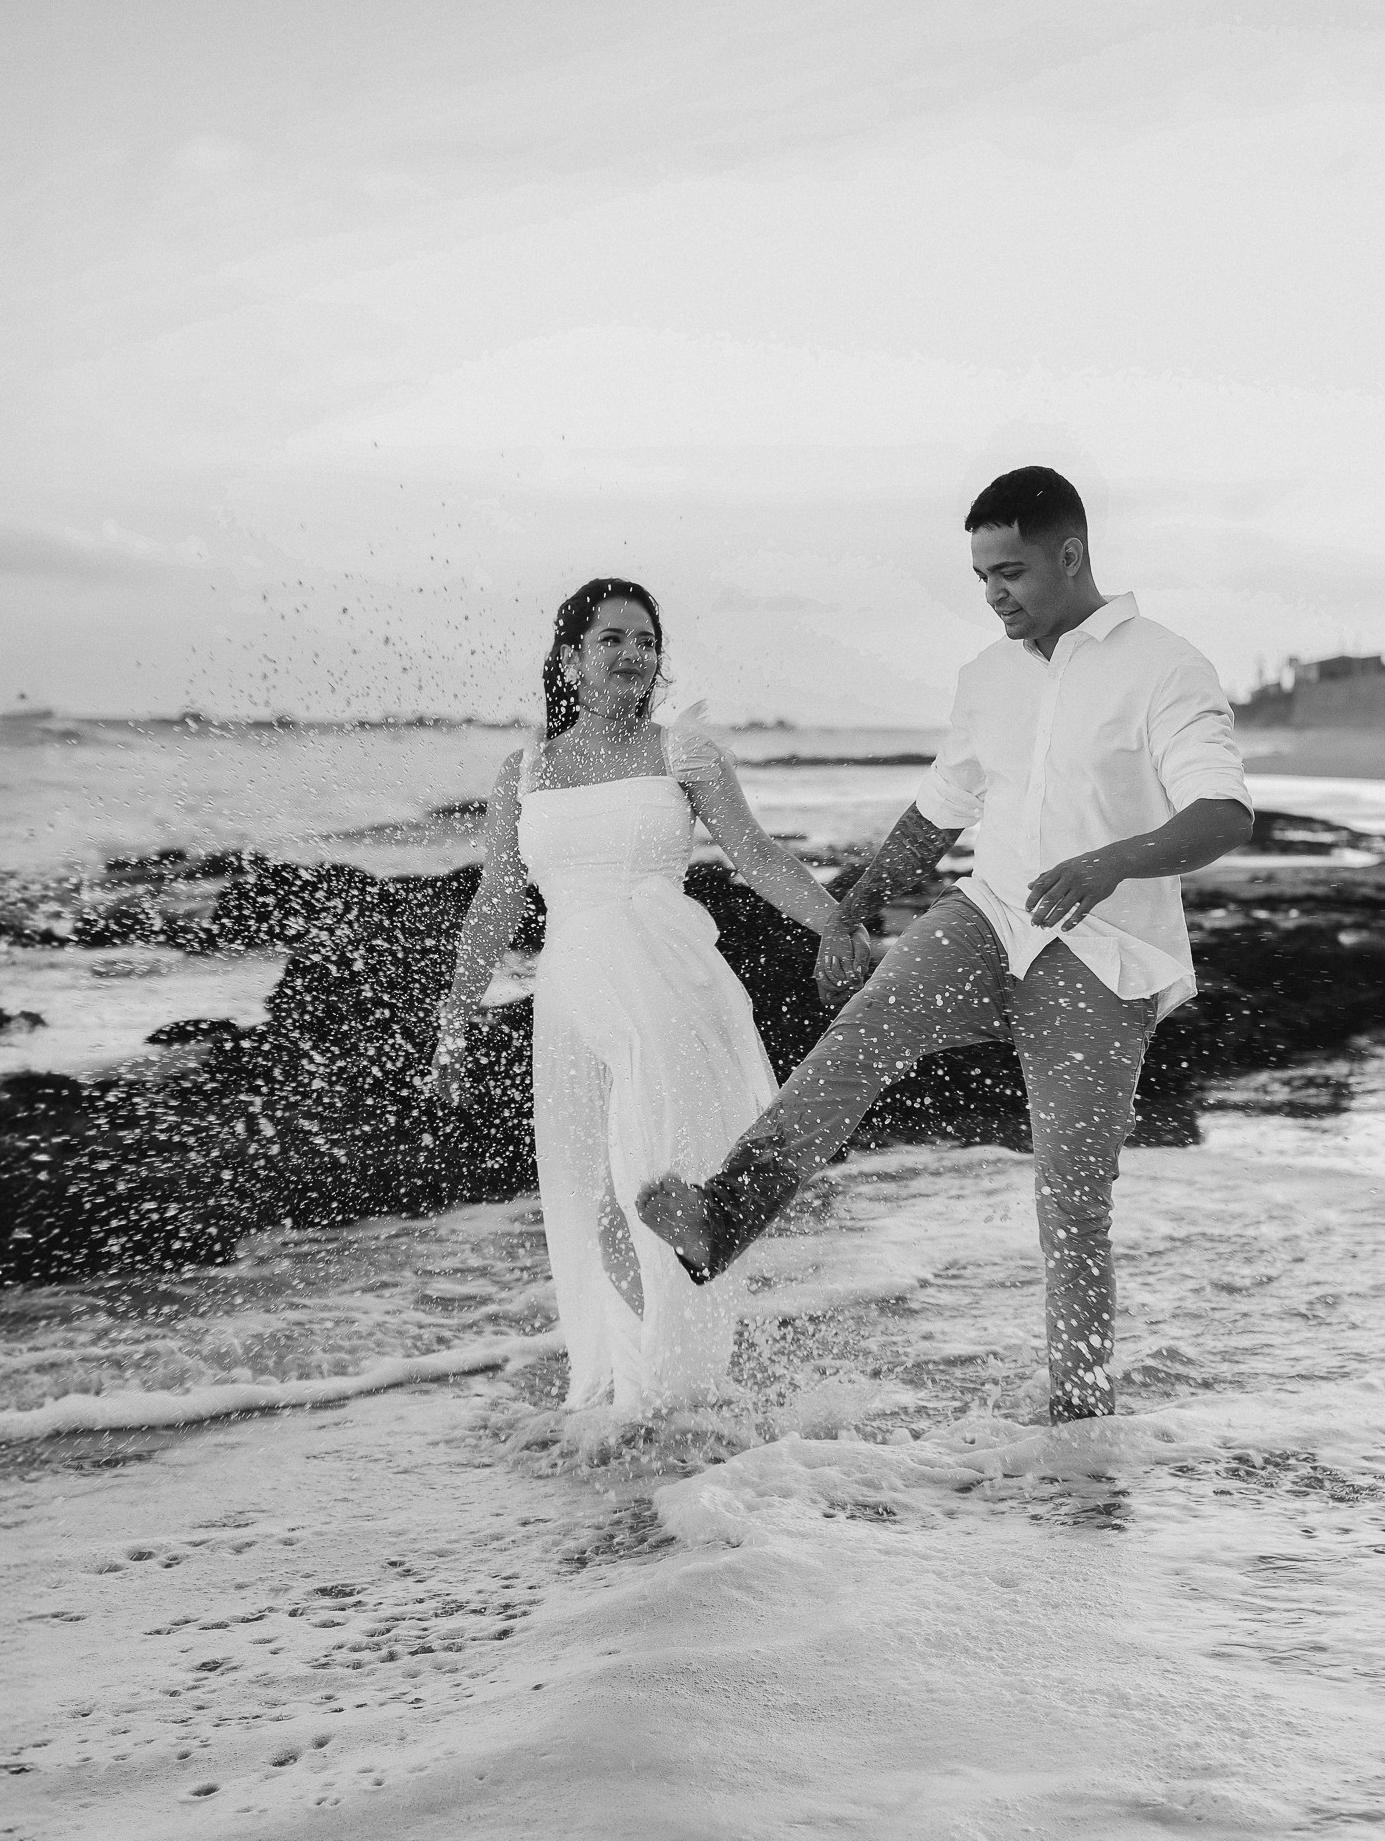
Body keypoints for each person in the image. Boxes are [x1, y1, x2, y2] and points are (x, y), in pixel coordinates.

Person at [638, 469, 1255, 1424]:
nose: (995, 593)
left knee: (1073, 1201)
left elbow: (1223, 812)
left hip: (1104, 959)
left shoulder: (1164, 667)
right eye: (981, 576)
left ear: (1071, 555)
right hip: (988, 918)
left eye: (1009, 571)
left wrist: (1105, 864)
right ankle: (725, 1215)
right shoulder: (987, 677)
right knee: (863, 1031)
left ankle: (1080, 1418)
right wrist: (851, 907)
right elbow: (937, 816)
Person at [431, 578, 855, 1415]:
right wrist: (455, 1015)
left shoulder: (683, 752)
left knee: (650, 1182)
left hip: (664, 984)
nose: (633, 655)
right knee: (595, 1196)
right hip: (571, 992)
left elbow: (758, 858)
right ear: (569, 658)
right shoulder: (524, 771)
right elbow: (497, 900)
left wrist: (837, 921)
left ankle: (670, 1389)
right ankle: (641, 1389)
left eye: (646, 640)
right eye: (611, 640)